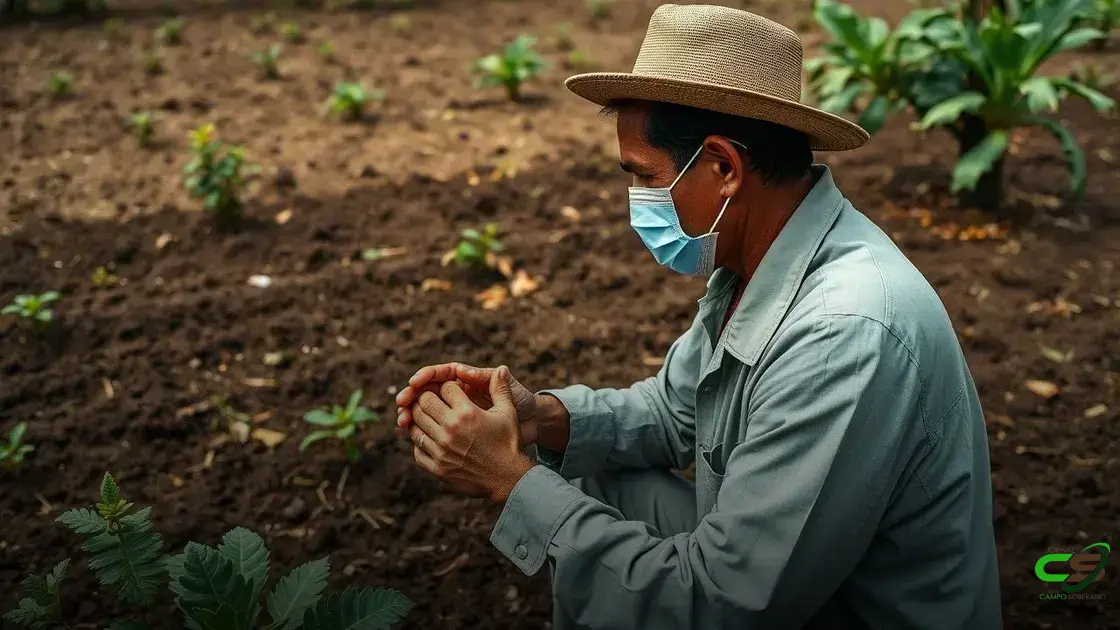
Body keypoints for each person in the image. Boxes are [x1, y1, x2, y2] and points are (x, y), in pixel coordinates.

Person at [394, 4, 1003, 629]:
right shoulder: (758, 263)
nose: (632, 201)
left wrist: (509, 480)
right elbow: (671, 412)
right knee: (601, 483)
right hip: (812, 585)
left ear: (724, 168)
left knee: (573, 513)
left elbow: (724, 605)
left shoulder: (842, 333)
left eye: (643, 175)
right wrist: (537, 417)